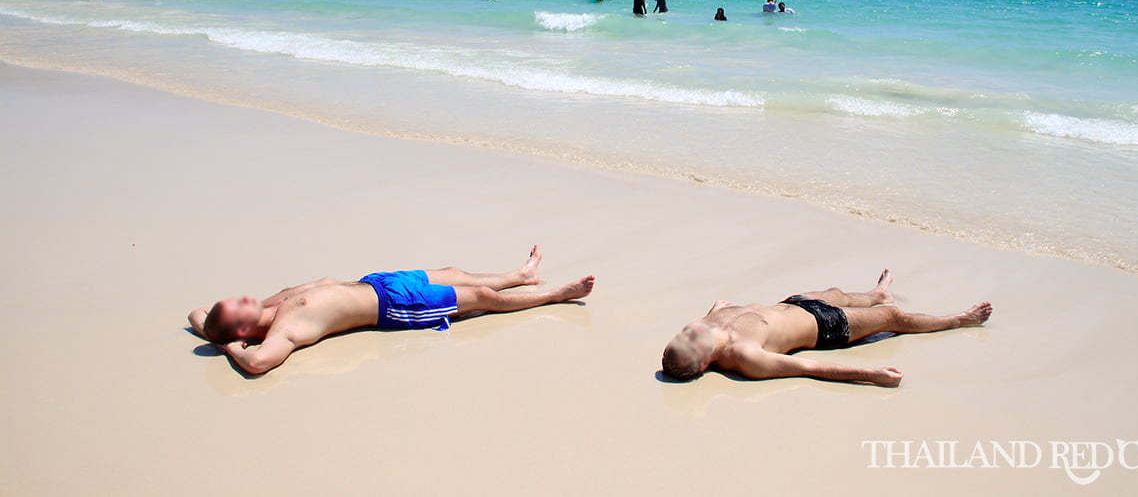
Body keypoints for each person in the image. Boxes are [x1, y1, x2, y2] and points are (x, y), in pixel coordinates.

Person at [189, 246, 594, 375]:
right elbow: (258, 363)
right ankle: (556, 295)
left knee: (456, 272)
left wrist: (211, 331)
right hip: (396, 306)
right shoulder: (284, 329)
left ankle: (520, 274)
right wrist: (231, 347)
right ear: (242, 327)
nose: (245, 297)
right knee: (484, 300)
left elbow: (198, 313)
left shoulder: (265, 306)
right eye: (238, 304)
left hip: (377, 282)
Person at [661, 269, 991, 387]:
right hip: (827, 326)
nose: (692, 332)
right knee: (893, 319)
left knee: (838, 293)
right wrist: (871, 375)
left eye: (685, 333)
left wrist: (718, 310)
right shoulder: (746, 358)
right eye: (692, 341)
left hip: (794, 303)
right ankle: (961, 319)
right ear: (705, 363)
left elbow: (714, 312)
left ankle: (876, 294)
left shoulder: (698, 326)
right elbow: (811, 367)